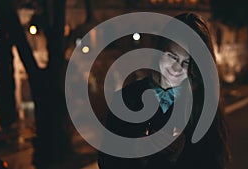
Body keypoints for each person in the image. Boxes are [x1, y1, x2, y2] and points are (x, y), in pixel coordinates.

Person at [98, 12, 229, 169]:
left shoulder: (201, 105)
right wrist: (136, 151)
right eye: (172, 56)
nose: (176, 68)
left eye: (187, 62)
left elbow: (214, 161)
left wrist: (181, 155)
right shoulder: (127, 98)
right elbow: (106, 162)